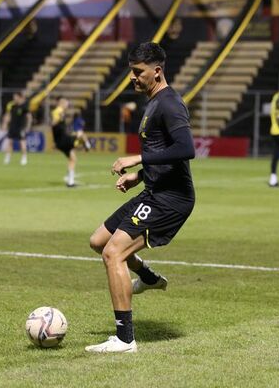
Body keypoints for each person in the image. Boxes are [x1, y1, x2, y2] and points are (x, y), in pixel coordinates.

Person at [86, 42, 195, 353]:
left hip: (170, 199)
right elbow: (165, 155)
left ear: (157, 71)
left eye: (138, 72)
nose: (132, 78)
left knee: (113, 254)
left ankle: (124, 339)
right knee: (98, 242)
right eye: (131, 72)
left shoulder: (170, 103)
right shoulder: (154, 102)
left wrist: (137, 159)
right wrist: (140, 178)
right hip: (154, 191)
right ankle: (147, 277)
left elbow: (187, 149)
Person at [51, 97, 78, 187]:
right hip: (63, 139)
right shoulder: (58, 111)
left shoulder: (60, 112)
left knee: (72, 159)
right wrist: (58, 119)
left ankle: (70, 180)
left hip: (62, 139)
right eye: (66, 103)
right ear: (61, 103)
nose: (67, 104)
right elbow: (54, 123)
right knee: (78, 137)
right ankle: (70, 181)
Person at [1, 92, 31, 166]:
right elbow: (8, 115)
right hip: (12, 126)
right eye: (14, 97)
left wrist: (28, 126)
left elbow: (29, 117)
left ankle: (24, 158)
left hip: (21, 127)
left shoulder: (24, 106)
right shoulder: (13, 106)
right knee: (10, 142)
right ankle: (7, 158)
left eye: (15, 97)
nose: (14, 98)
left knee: (22, 143)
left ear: (19, 97)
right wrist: (5, 124)